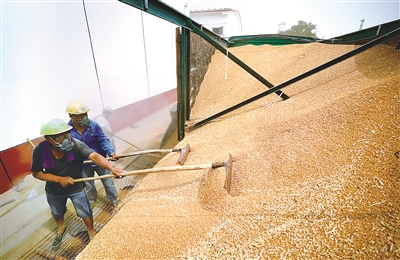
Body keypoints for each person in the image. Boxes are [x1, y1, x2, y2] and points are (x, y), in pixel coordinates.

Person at [30, 118, 124, 248]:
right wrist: (59, 179)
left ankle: (91, 230)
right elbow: (36, 173)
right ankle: (61, 228)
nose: (66, 140)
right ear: (48, 138)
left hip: (76, 186)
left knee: (84, 211)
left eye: (67, 135)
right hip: (54, 189)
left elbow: (94, 156)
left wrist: (111, 168)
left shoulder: (76, 144)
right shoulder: (39, 150)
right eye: (59, 137)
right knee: (57, 211)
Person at [66, 101, 120, 208]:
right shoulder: (67, 131)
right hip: (83, 163)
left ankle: (113, 199)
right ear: (71, 116)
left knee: (108, 182)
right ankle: (92, 201)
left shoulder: (94, 126)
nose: (83, 117)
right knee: (88, 185)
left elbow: (103, 139)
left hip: (99, 160)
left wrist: (110, 151)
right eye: (79, 115)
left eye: (85, 114)